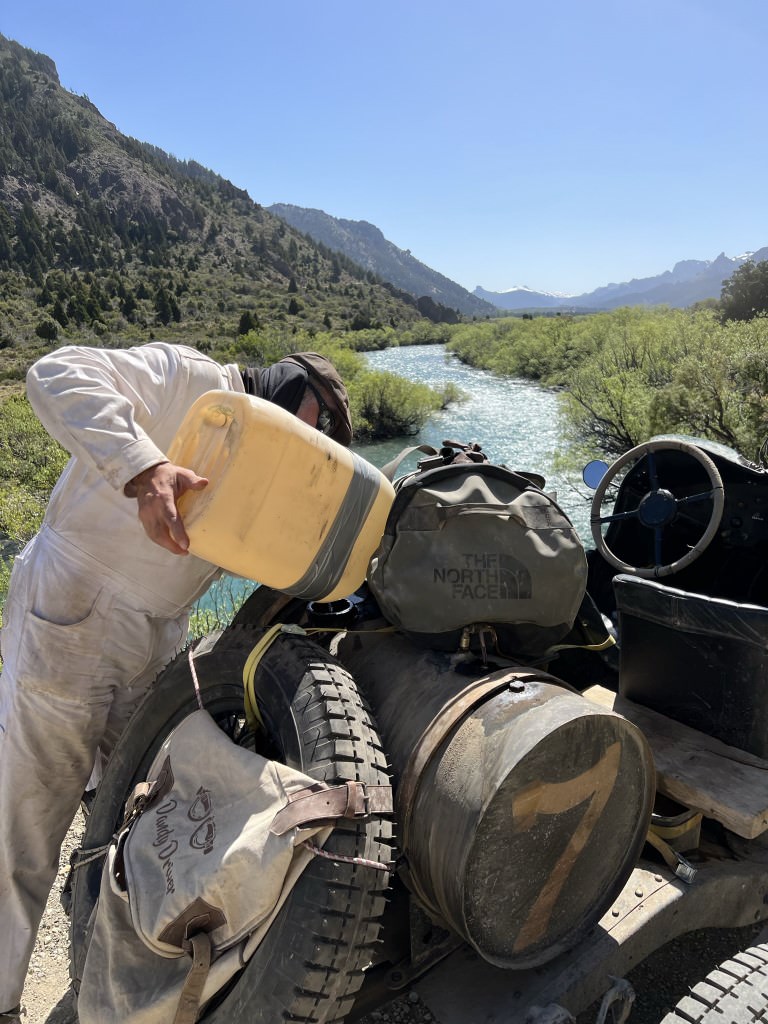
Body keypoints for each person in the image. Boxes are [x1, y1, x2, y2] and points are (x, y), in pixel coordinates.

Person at [0, 340, 352, 1022]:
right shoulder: (191, 379)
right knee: (27, 825)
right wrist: (145, 466)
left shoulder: (267, 465)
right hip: (71, 612)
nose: (309, 441)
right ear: (289, 386)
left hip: (154, 638)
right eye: (316, 421)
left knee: (136, 812)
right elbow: (54, 372)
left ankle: (102, 962)